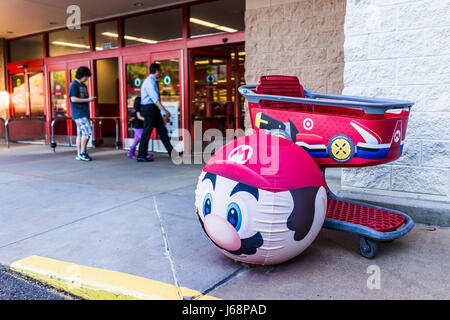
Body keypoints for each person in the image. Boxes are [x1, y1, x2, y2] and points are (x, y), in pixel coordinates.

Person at [137, 63, 174, 162]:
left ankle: (172, 153)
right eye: (160, 70)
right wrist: (165, 110)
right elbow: (155, 99)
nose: (161, 72)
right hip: (150, 109)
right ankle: (141, 155)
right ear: (157, 71)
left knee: (162, 131)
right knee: (147, 132)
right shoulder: (150, 82)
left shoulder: (152, 81)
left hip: (152, 109)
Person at [69, 66, 96, 161]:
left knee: (80, 134)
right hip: (79, 113)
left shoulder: (83, 86)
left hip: (84, 112)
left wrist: (88, 99)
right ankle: (83, 152)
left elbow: (83, 98)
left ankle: (79, 153)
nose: (87, 79)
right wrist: (88, 99)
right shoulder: (73, 85)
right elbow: (73, 99)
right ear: (82, 75)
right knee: (87, 132)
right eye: (86, 76)